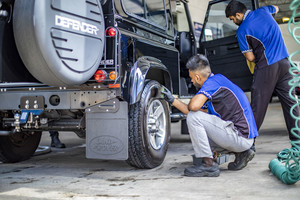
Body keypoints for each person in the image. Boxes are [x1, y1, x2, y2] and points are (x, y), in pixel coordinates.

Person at [162, 54, 258, 177]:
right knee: (197, 125)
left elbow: (193, 108)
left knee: (193, 118)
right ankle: (241, 153)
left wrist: (193, 99)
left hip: (239, 137)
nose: (191, 81)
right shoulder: (218, 83)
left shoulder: (212, 83)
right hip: (244, 139)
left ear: (197, 77)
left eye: (191, 78)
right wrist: (172, 100)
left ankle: (208, 165)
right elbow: (200, 113)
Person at [225, 1, 300, 142]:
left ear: (238, 14)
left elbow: (250, 57)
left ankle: (247, 143)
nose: (234, 21)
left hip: (267, 66)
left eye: (233, 18)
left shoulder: (242, 30)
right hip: (285, 63)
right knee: (291, 104)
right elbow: (276, 8)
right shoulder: (264, 11)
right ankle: (298, 143)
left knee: (257, 106)